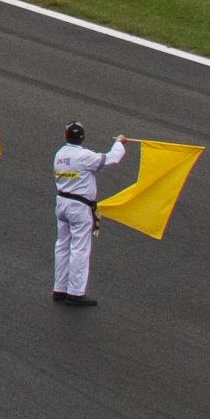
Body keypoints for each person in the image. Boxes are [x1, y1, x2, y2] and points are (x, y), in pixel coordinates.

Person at [52, 122, 128, 307]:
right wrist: (119, 143)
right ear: (82, 137)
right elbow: (111, 159)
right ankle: (75, 292)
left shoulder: (60, 155)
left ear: (65, 135)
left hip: (62, 203)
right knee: (80, 248)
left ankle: (59, 288)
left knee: (62, 245)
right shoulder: (84, 156)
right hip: (79, 207)